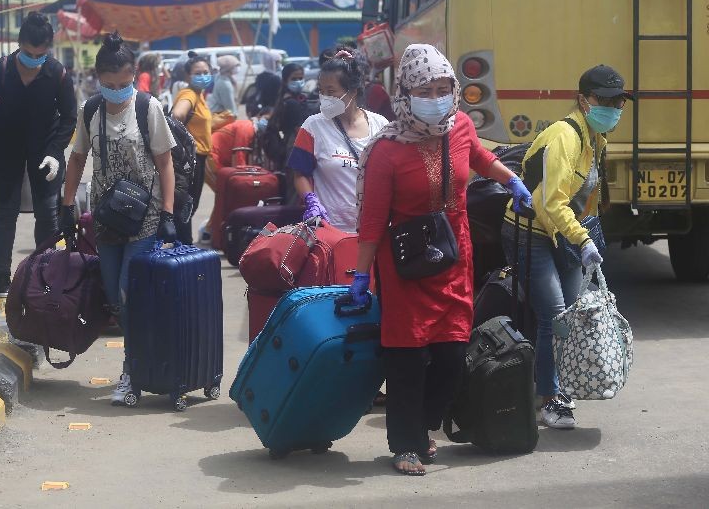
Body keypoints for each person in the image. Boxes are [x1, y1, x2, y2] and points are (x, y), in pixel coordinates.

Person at [348, 44, 532, 476]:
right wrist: (361, 274)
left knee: (451, 355)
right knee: (408, 360)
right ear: (405, 93)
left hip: (454, 255)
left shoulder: (461, 125)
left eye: (443, 87)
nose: (436, 96)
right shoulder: (385, 150)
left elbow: (480, 158)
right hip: (406, 265)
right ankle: (405, 443)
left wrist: (512, 179)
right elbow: (372, 221)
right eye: (425, 89)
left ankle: (426, 424)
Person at [499, 65, 626, 430]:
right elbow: (551, 203)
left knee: (570, 316)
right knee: (555, 315)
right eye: (604, 100)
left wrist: (586, 233)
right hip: (530, 231)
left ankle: (560, 389)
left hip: (565, 233)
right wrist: (583, 240)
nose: (613, 108)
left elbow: (584, 197)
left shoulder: (595, 137)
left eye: (618, 101)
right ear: (584, 100)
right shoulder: (565, 137)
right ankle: (550, 398)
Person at [60, 32, 177, 406]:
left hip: (143, 218)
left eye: (124, 84)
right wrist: (66, 207)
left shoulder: (147, 108)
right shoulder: (90, 110)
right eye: (109, 85)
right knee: (114, 297)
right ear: (98, 80)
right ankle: (143, 362)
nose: (116, 92)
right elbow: (77, 158)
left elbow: (165, 163)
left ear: (134, 77)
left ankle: (132, 371)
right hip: (106, 220)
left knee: (129, 293)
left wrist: (169, 213)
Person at [0, 12, 77, 297]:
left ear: (48, 51)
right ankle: (2, 278)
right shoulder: (1, 69)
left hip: (45, 150)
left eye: (40, 54)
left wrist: (56, 152)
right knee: (4, 215)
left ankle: (43, 274)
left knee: (47, 215)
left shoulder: (57, 74)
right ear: (19, 45)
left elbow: (69, 117)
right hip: (5, 149)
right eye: (29, 53)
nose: (34, 59)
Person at [287, 50, 388, 233]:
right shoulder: (312, 127)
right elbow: (299, 174)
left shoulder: (380, 125)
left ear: (353, 91)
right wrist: (311, 200)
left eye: (331, 92)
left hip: (374, 231)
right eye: (321, 91)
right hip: (330, 231)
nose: (324, 97)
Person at [172, 52, 213, 244]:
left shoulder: (199, 95)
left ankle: (182, 244)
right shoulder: (189, 94)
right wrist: (186, 143)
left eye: (206, 71)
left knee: (189, 205)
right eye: (198, 72)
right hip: (191, 158)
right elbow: (177, 115)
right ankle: (183, 245)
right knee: (186, 206)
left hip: (199, 157)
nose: (203, 75)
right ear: (188, 76)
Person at [205, 108, 271, 191]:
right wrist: (244, 180)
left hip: (218, 158)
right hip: (211, 157)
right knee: (224, 192)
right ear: (259, 116)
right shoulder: (247, 128)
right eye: (267, 119)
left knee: (229, 193)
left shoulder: (252, 129)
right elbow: (239, 156)